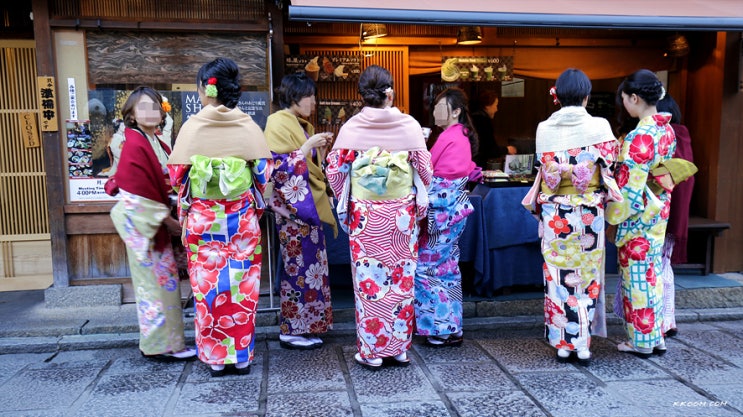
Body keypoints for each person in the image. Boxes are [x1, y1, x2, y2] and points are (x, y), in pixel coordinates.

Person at [167, 58, 274, 376]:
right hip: (240, 219)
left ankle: (216, 356)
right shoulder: (248, 126)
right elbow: (262, 175)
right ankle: (240, 355)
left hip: (203, 220)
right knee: (241, 287)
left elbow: (177, 177)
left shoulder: (192, 127)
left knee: (209, 287)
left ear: (205, 88)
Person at [325, 65, 433, 369]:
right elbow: (425, 170)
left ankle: (372, 351)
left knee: (369, 279)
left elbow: (334, 171)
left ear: (363, 95)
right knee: (400, 280)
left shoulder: (350, 128)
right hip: (400, 216)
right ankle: (398, 348)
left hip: (367, 216)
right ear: (390, 92)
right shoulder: (409, 126)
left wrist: (349, 196)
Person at [525, 68, 623, 365]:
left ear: (557, 96)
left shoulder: (544, 128)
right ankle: (582, 343)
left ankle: (563, 343)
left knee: (557, 276)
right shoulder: (600, 127)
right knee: (586, 277)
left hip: (556, 212)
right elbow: (612, 169)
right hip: (589, 212)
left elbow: (542, 169)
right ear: (586, 96)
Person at [109, 86, 196, 361]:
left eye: (156, 107)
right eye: (143, 107)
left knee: (164, 284)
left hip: (153, 218)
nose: (151, 112)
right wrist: (166, 219)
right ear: (131, 115)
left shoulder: (153, 140)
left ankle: (167, 343)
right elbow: (132, 189)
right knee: (154, 286)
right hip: (144, 221)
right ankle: (160, 346)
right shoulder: (133, 142)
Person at [263, 73, 337, 350]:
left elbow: (306, 163)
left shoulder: (296, 123)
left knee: (311, 269)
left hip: (304, 210)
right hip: (293, 212)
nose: (314, 102)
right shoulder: (277, 122)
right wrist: (307, 147)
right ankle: (291, 329)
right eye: (310, 96)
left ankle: (307, 326)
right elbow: (277, 168)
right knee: (298, 270)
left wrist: (317, 149)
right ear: (295, 96)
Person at [606, 69, 677, 358]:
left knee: (637, 278)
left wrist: (612, 217)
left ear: (634, 98)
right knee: (652, 276)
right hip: (658, 212)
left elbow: (630, 190)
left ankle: (641, 341)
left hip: (637, 216)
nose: (624, 104)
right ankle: (656, 335)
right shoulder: (666, 129)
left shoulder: (640, 136)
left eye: (624, 99)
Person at [415, 88, 480, 347]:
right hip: (454, 210)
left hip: (441, 211)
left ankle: (438, 329)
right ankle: (452, 326)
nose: (434, 112)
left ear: (456, 111)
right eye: (434, 107)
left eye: (441, 107)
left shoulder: (449, 137)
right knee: (448, 268)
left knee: (428, 269)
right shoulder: (459, 135)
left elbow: (429, 173)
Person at [656, 94, 695, 338]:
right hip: (674, 211)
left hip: (663, 213)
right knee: (663, 266)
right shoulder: (683, 135)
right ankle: (667, 320)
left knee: (659, 267)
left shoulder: (667, 135)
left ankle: (664, 321)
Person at [470, 90, 516, 168]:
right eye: (496, 105)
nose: (496, 109)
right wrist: (507, 149)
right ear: (487, 106)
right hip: (477, 164)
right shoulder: (483, 121)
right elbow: (490, 149)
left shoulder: (471, 119)